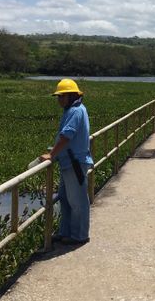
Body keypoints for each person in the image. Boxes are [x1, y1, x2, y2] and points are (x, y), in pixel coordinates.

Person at [39, 78, 93, 245]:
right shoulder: (72, 110)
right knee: (64, 198)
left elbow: (66, 135)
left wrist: (51, 155)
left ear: (72, 96)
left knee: (77, 201)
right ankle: (66, 231)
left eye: (62, 96)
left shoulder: (76, 111)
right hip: (68, 162)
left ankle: (79, 236)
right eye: (58, 97)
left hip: (74, 163)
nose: (59, 100)